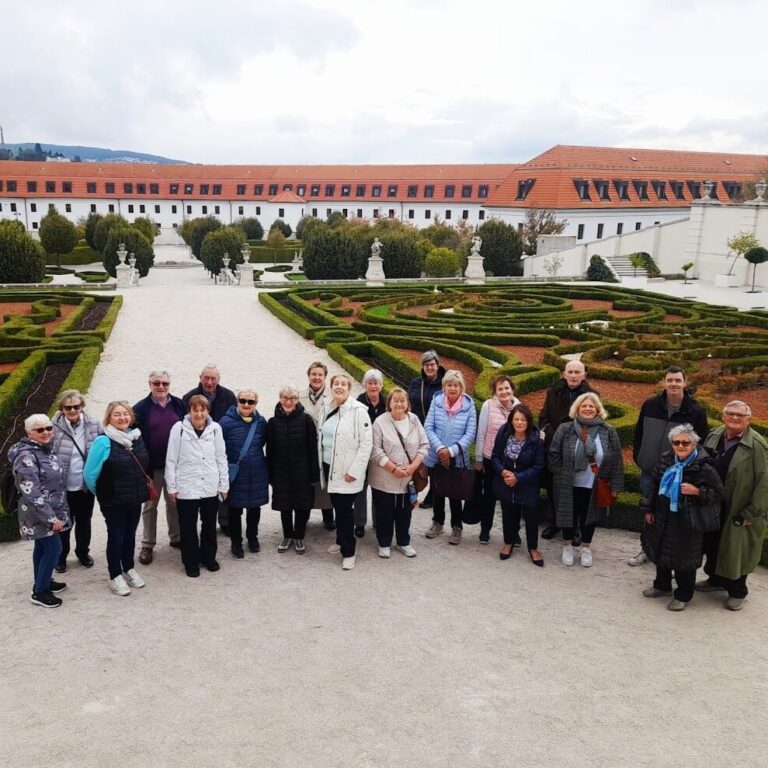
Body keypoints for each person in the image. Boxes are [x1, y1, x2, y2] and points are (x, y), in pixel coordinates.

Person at [629, 366, 709, 565]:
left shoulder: (696, 411)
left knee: (673, 516)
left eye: (677, 380)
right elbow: (639, 433)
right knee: (649, 510)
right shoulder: (650, 405)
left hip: (677, 473)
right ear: (664, 382)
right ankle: (646, 549)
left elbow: (702, 443)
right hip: (650, 470)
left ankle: (669, 555)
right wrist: (640, 456)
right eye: (670, 380)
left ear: (685, 382)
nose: (673, 384)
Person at [641, 424, 724, 611]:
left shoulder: (704, 467)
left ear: (694, 444)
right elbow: (653, 485)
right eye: (676, 442)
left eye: (685, 442)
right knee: (661, 551)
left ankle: (683, 595)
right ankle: (662, 586)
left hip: (688, 521)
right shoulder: (665, 459)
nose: (680, 445)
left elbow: (719, 493)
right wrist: (649, 509)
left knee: (684, 559)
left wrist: (698, 491)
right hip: (663, 515)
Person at [698, 401, 768, 610]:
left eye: (740, 415)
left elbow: (765, 482)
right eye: (730, 413)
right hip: (714, 501)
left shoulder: (757, 445)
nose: (735, 418)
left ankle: (738, 591)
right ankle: (715, 580)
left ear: (749, 419)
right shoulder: (715, 434)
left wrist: (752, 512)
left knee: (738, 549)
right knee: (713, 542)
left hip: (739, 504)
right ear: (723, 416)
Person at [549, 392, 624, 567]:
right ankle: (567, 546)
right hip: (568, 481)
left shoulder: (608, 430)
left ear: (598, 409)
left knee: (589, 517)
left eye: (591, 406)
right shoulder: (565, 428)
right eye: (584, 406)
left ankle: (585, 548)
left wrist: (616, 484)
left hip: (594, 483)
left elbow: (617, 459)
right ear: (577, 409)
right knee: (568, 514)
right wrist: (559, 473)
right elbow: (553, 453)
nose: (588, 409)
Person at [84, 401, 150, 596]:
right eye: (117, 414)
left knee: (130, 535)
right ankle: (114, 575)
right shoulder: (103, 442)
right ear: (109, 418)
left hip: (134, 497)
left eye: (125, 414)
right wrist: (104, 493)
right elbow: (89, 475)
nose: (122, 418)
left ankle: (128, 568)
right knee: (117, 537)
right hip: (113, 500)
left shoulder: (136, 437)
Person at [9, 414, 70, 608]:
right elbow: (31, 491)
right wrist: (51, 518)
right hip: (39, 514)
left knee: (42, 547)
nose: (46, 432)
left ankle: (43, 581)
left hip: (49, 509)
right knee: (54, 549)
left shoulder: (42, 449)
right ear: (29, 433)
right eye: (40, 430)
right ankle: (40, 592)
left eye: (49, 428)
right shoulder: (26, 456)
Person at [165, 395, 229, 577]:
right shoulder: (179, 429)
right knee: (188, 527)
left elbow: (221, 458)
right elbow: (171, 460)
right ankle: (190, 561)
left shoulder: (215, 429)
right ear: (189, 411)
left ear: (208, 411)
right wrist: (172, 487)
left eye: (203, 410)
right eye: (195, 410)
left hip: (210, 485)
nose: (199, 414)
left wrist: (224, 484)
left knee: (209, 524)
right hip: (187, 486)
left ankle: (209, 557)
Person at [539, 360, 598, 545]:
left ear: (584, 375)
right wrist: (554, 436)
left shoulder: (592, 395)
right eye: (570, 372)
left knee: (577, 491)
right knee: (554, 489)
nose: (573, 375)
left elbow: (594, 421)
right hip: (555, 447)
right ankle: (555, 522)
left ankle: (575, 528)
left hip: (578, 449)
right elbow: (544, 418)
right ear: (564, 374)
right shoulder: (552, 392)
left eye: (577, 372)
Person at [319, 373, 373, 570]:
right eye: (336, 384)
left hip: (347, 471)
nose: (339, 387)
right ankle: (341, 540)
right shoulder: (327, 406)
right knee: (336, 506)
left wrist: (355, 471)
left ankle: (349, 552)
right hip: (329, 466)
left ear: (350, 389)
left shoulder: (359, 411)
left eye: (344, 384)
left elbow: (366, 444)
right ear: (331, 387)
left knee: (344, 512)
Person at [133, 369, 186, 565]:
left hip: (175, 466)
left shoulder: (180, 404)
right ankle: (148, 544)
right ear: (150, 384)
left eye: (164, 383)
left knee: (174, 502)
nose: (161, 387)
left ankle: (176, 537)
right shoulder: (140, 408)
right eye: (157, 383)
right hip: (152, 467)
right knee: (150, 506)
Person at [369, 386, 428, 558]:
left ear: (407, 403)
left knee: (404, 512)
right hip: (385, 476)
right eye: (396, 400)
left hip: (408, 476)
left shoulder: (414, 420)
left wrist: (413, 466)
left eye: (403, 400)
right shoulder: (380, 422)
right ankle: (384, 543)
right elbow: (375, 450)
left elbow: (424, 445)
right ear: (389, 403)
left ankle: (403, 542)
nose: (399, 403)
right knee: (384, 512)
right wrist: (393, 468)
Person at [424, 369, 477, 545]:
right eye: (449, 385)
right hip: (436, 454)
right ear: (444, 386)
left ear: (461, 387)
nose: (452, 388)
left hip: (457, 456)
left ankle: (456, 527)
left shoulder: (469, 406)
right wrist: (440, 449)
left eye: (456, 385)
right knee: (437, 491)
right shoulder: (436, 401)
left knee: (455, 494)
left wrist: (451, 451)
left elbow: (470, 434)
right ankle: (437, 522)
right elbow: (428, 427)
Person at [182, 364, 237, 535]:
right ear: (200, 378)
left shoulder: (228, 395)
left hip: (221, 446)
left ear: (218, 380)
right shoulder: (189, 397)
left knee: (222, 484)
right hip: (197, 449)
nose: (210, 382)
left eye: (213, 378)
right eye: (206, 378)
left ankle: (224, 521)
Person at [51, 389, 101, 573]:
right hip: (61, 487)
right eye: (68, 407)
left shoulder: (93, 424)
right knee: (63, 524)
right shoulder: (53, 426)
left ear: (82, 407)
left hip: (84, 485)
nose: (72, 410)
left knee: (84, 521)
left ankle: (82, 552)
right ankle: (61, 557)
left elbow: (103, 446)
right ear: (62, 408)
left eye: (76, 406)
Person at [266, 385, 320, 554]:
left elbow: (313, 450)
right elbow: (270, 451)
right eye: (285, 398)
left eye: (292, 398)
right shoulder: (273, 422)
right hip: (281, 471)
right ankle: (287, 535)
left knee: (302, 506)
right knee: (285, 505)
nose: (288, 401)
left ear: (297, 401)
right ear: (280, 399)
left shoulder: (306, 420)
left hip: (302, 472)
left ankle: (299, 536)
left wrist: (314, 475)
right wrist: (271, 474)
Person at [491, 404, 545, 565]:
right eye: (516, 419)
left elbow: (538, 466)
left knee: (531, 518)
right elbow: (495, 457)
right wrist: (502, 471)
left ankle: (533, 548)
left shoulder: (536, 439)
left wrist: (518, 477)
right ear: (511, 421)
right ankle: (509, 542)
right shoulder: (504, 433)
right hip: (506, 482)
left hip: (527, 485)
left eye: (523, 419)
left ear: (528, 421)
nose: (519, 422)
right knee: (508, 515)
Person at [220, 389, 269, 558]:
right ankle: (236, 542)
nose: (246, 405)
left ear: (256, 404)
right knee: (235, 510)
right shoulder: (225, 423)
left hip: (256, 472)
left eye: (251, 402)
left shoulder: (261, 422)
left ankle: (252, 538)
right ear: (237, 402)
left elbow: (263, 442)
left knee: (254, 509)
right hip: (236, 473)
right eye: (243, 401)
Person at [475, 374, 520, 544]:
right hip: (490, 458)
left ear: (512, 389)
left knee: (512, 498)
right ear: (495, 391)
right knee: (489, 496)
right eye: (500, 388)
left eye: (507, 388)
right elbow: (481, 433)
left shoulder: (519, 406)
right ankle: (485, 530)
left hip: (511, 460)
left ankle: (513, 533)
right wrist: (479, 458)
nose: (504, 391)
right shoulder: (488, 405)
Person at [299, 361, 336, 531]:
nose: (316, 377)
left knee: (326, 482)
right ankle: (303, 516)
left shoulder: (333, 397)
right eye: (314, 374)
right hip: (306, 447)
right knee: (307, 483)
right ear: (308, 376)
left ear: (325, 377)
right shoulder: (299, 397)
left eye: (320, 374)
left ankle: (328, 516)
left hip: (325, 446)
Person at [407, 350, 446, 509]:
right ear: (422, 367)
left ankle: (432, 496)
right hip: (419, 428)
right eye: (426, 364)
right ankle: (414, 495)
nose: (429, 367)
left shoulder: (445, 382)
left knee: (435, 465)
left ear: (438, 365)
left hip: (439, 430)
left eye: (432, 364)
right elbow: (409, 403)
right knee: (419, 464)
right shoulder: (417, 383)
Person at [354, 368, 386, 537]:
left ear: (381, 385)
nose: (373, 386)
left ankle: (377, 521)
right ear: (365, 385)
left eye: (376, 383)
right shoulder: (358, 403)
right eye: (370, 383)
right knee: (360, 489)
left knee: (378, 489)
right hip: (362, 452)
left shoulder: (386, 403)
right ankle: (359, 523)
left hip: (380, 453)